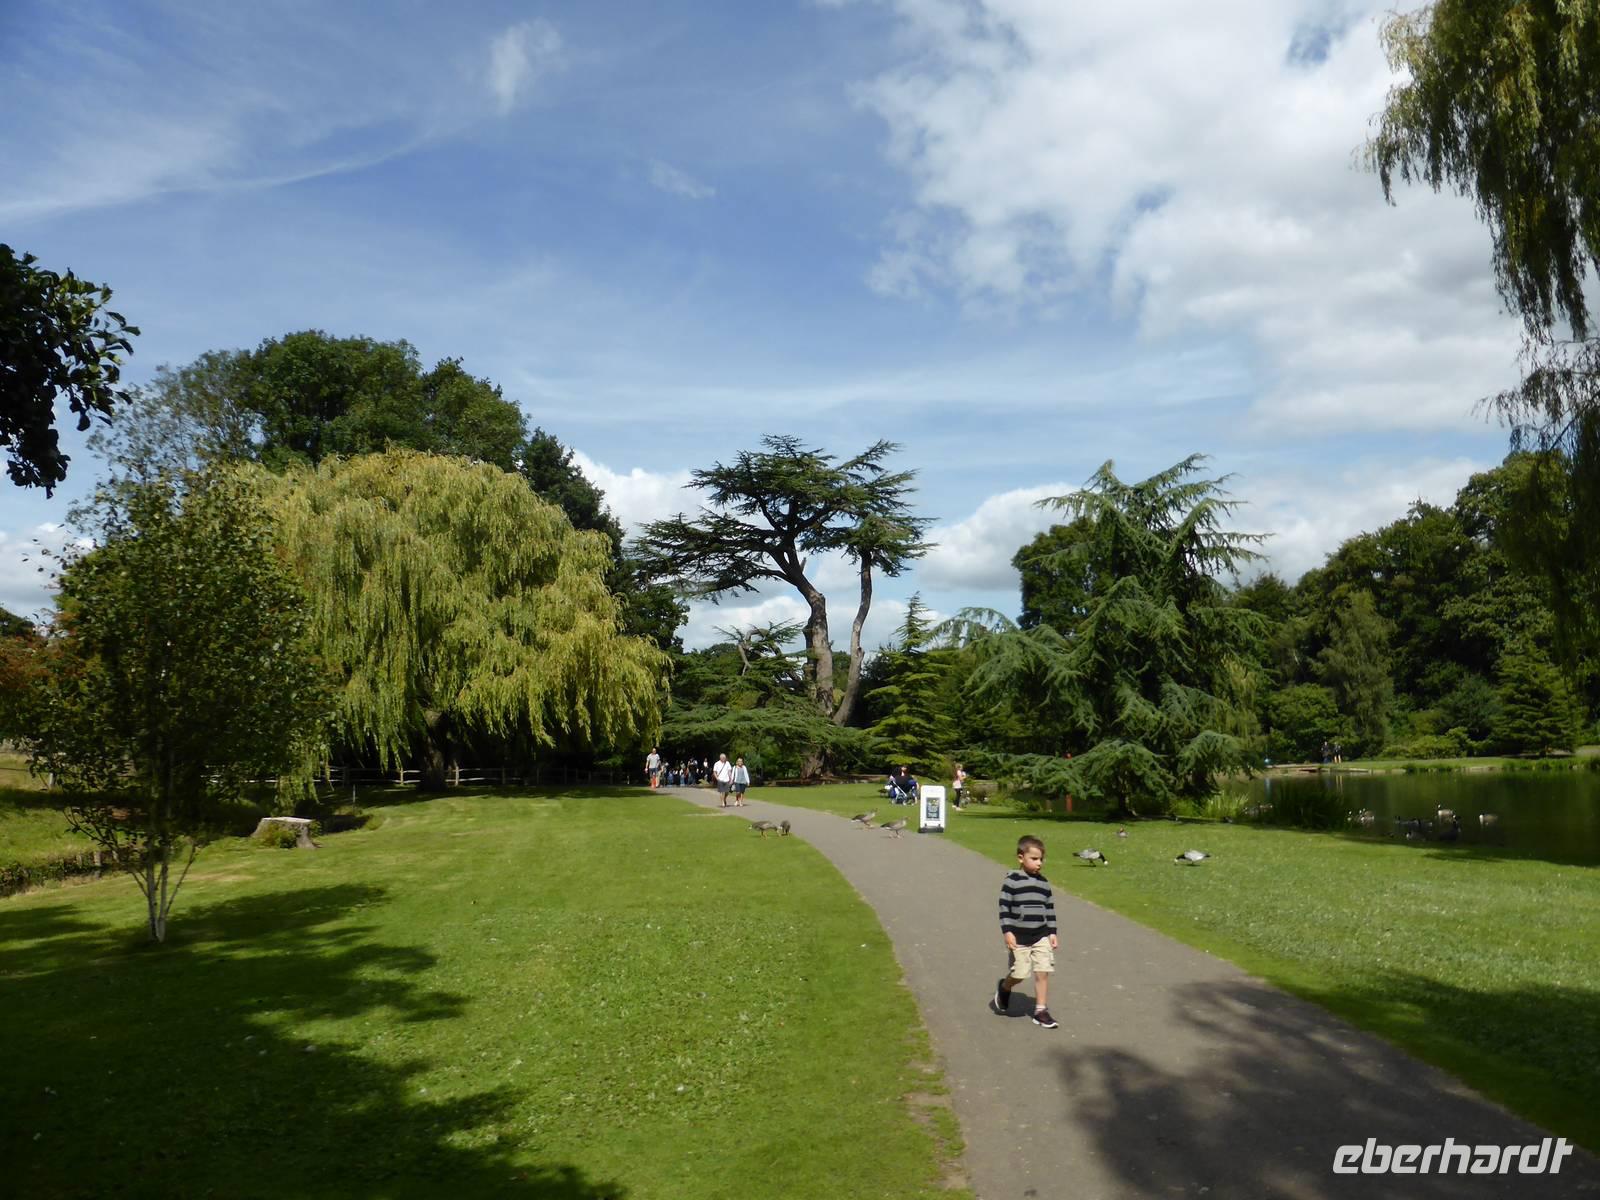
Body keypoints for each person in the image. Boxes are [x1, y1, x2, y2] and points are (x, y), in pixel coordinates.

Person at [991, 834, 1059, 1029]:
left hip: (1041, 935)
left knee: (1043, 971)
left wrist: (1052, 932)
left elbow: (1049, 909)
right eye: (1034, 859)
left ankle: (1041, 1010)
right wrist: (1008, 931)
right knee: (1020, 974)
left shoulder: (1044, 883)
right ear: (1021, 858)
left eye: (1041, 859)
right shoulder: (1012, 882)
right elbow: (1004, 908)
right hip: (1018, 936)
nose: (1040, 863)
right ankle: (1005, 987)